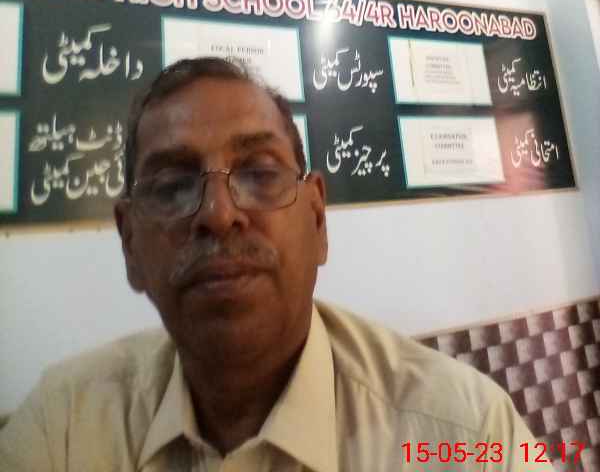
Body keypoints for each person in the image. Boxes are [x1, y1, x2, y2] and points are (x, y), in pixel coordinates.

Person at [0, 56, 537, 470]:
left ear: (317, 220)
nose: (218, 214)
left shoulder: (469, 434)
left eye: (259, 173)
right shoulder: (62, 428)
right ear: (129, 243)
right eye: (171, 186)